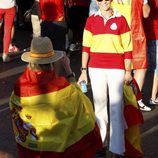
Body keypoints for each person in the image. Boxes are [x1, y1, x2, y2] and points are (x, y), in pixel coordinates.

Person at [9, 37, 102, 158]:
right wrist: (68, 71)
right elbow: (82, 102)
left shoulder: (19, 87)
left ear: (31, 61)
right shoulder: (64, 89)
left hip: (32, 150)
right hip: (58, 151)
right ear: (53, 62)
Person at [77, 0, 133, 157]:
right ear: (96, 1)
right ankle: (100, 144)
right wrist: (83, 71)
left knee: (116, 108)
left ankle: (118, 148)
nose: (104, 2)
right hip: (95, 68)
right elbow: (86, 47)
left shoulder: (121, 19)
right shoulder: (91, 19)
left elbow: (128, 48)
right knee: (99, 107)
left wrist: (128, 71)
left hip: (117, 69)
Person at [39, 0, 75, 81]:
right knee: (56, 52)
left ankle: (53, 78)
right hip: (56, 21)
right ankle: (55, 78)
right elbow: (69, 4)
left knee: (51, 52)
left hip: (50, 21)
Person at [143, 0, 158, 105]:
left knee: (145, 68)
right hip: (155, 34)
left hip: (144, 34)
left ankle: (140, 93)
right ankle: (153, 97)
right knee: (156, 68)